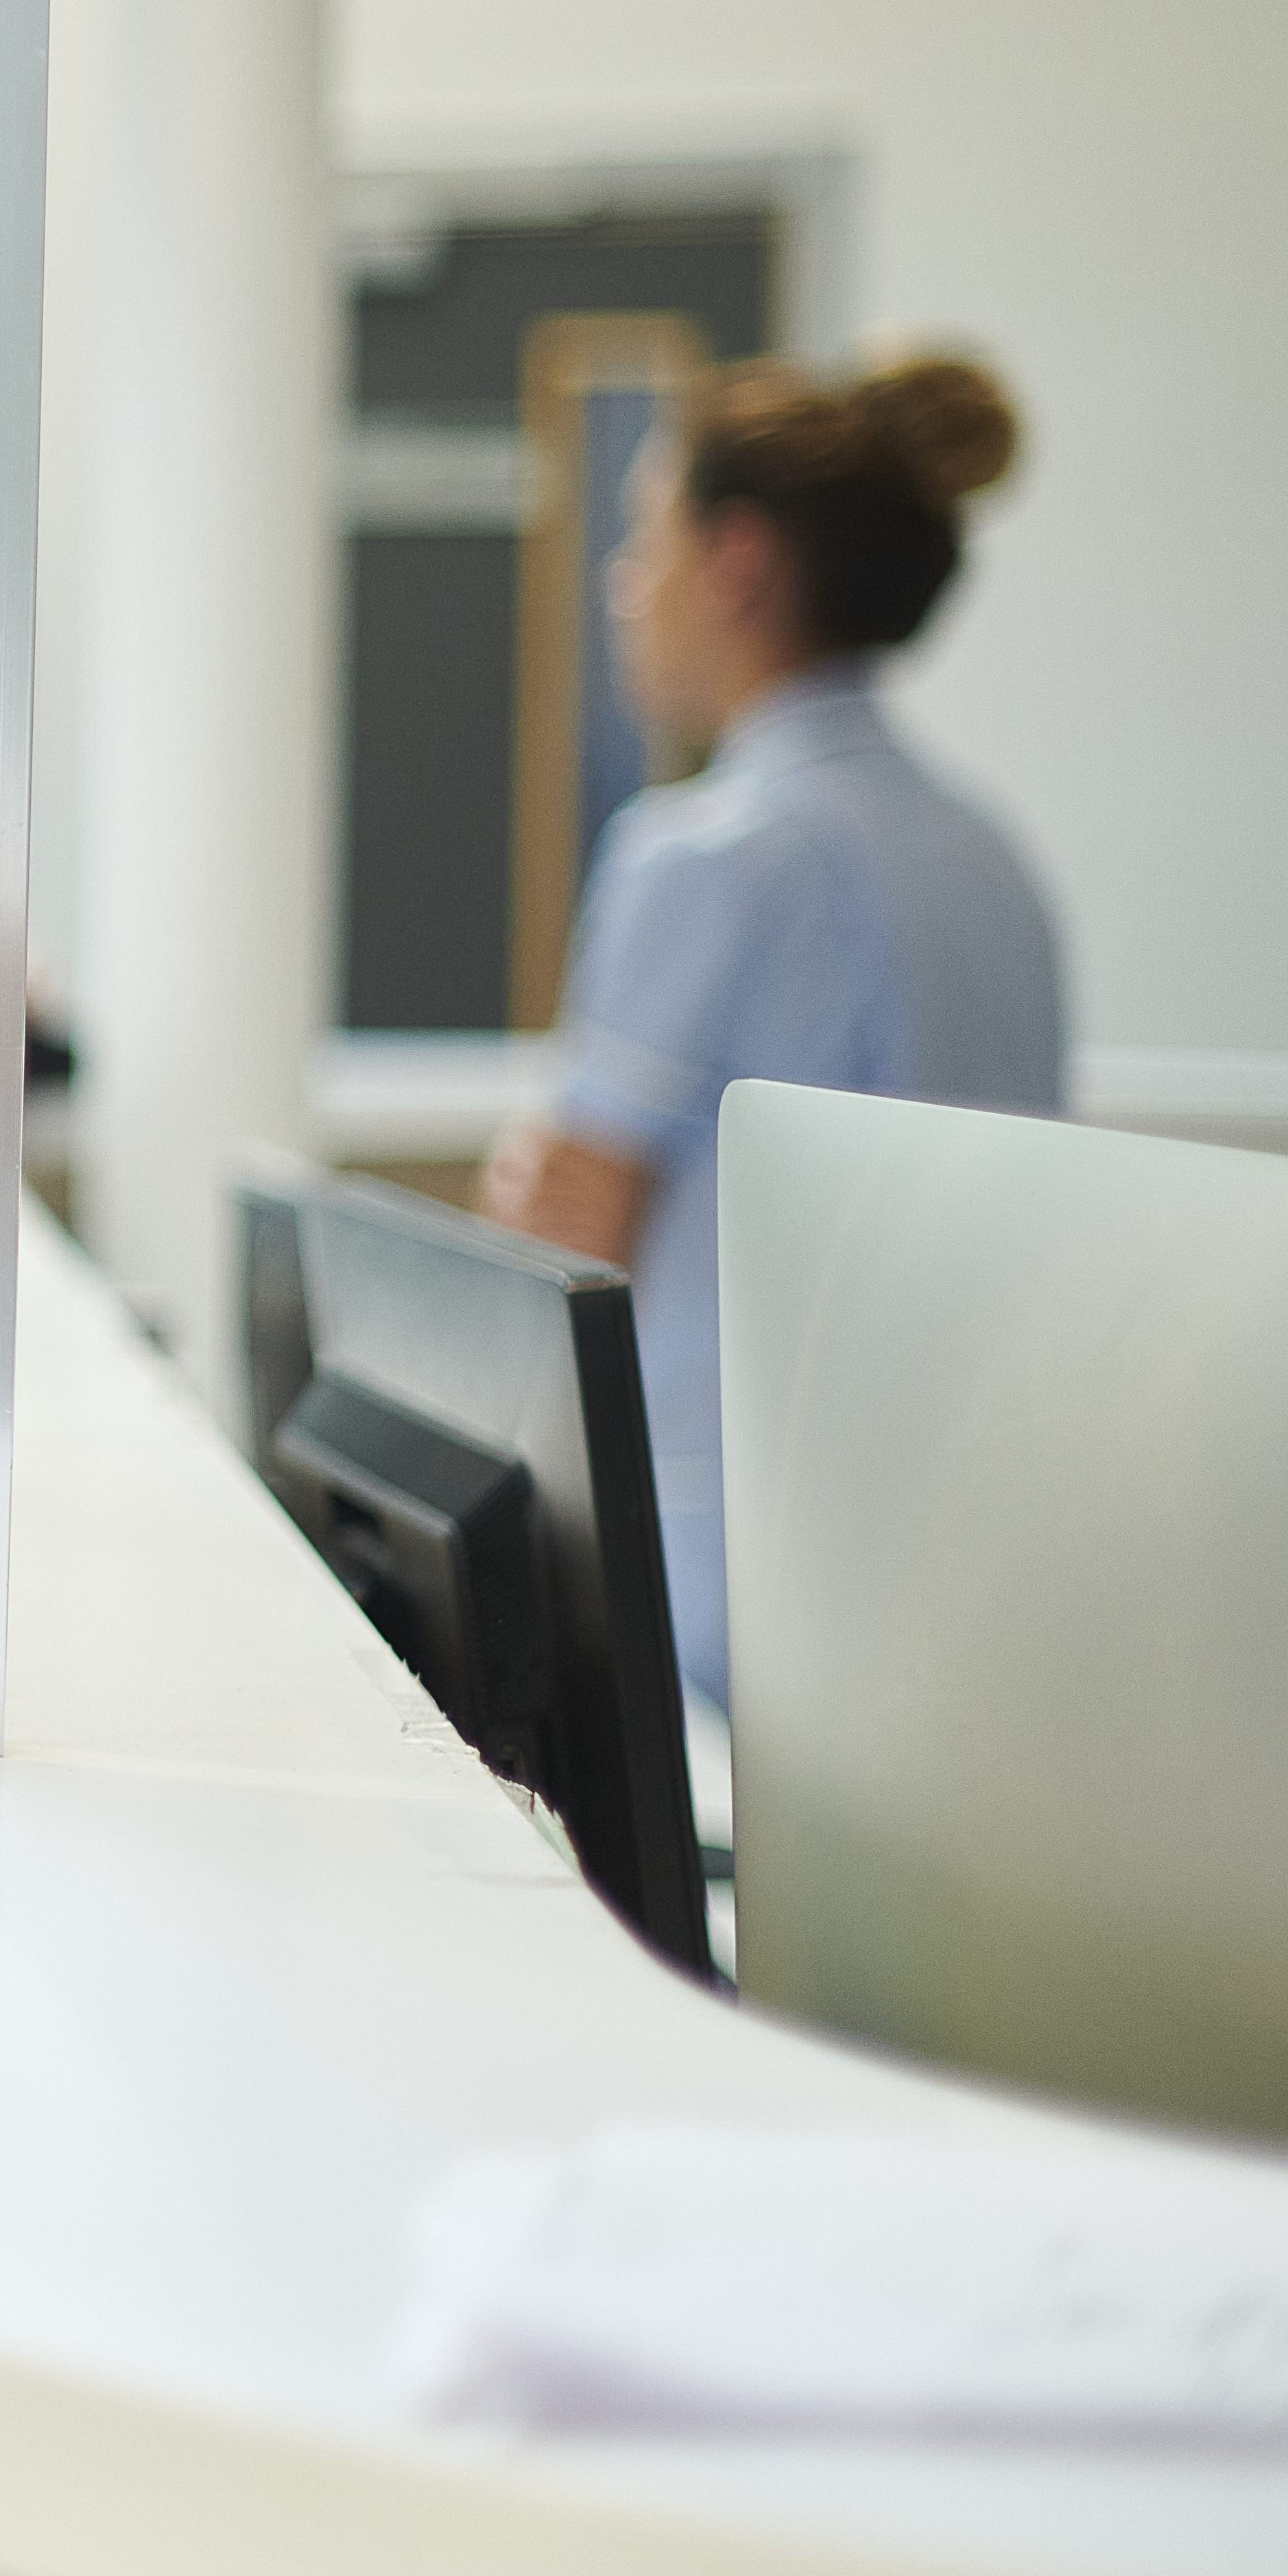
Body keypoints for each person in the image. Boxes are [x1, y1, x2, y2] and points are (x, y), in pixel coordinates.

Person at [484, 344, 1064, 1704]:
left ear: (735, 564)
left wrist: (524, 1186)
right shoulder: (994, 861)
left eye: (642, 543)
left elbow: (565, 1237)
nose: (625, 588)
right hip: (963, 1577)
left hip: (725, 1601)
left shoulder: (708, 856)